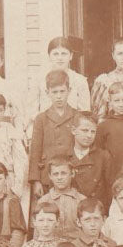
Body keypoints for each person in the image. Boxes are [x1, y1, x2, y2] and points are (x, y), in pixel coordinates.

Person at [28, 69, 77, 198]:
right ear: (47, 93)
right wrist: (36, 180)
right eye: (54, 92)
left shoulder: (77, 116)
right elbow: (35, 151)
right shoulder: (41, 118)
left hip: (71, 173)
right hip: (47, 175)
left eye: (62, 91)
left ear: (69, 91)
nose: (59, 96)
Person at [30, 36, 90, 119]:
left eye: (64, 54)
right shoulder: (38, 80)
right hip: (45, 127)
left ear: (71, 56)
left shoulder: (80, 81)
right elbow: (32, 112)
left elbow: (84, 113)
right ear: (49, 56)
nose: (60, 58)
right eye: (55, 54)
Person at [69, 111, 112, 207]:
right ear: (73, 130)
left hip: (95, 211)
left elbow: (109, 190)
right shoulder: (64, 156)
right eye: (84, 130)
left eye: (93, 131)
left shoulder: (103, 156)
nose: (89, 135)